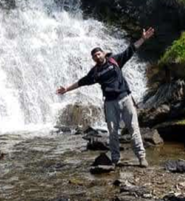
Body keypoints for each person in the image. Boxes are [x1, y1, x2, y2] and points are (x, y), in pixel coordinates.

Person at [56, 28, 155, 167]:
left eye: (98, 53)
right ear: (93, 59)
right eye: (94, 56)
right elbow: (82, 82)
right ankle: (115, 159)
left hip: (125, 98)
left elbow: (131, 49)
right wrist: (66, 89)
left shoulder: (115, 60)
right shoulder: (95, 72)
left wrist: (143, 38)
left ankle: (141, 157)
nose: (97, 56)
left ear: (103, 53)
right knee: (113, 132)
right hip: (109, 103)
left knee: (133, 128)